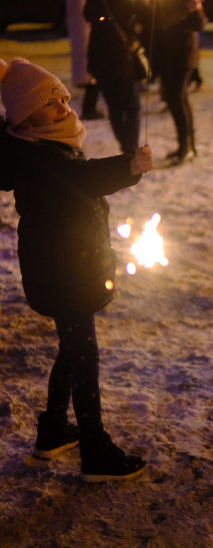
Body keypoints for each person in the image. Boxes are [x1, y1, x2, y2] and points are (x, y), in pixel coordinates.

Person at [0, 57, 153, 482]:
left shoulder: (29, 145)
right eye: (51, 104)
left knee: (72, 350)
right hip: (64, 270)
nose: (64, 107)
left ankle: (52, 431)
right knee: (84, 357)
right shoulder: (41, 158)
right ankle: (96, 451)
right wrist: (130, 167)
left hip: (62, 266)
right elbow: (82, 178)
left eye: (63, 97)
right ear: (28, 120)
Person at [84, 0, 149, 156]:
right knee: (132, 105)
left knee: (114, 105)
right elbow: (146, 15)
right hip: (123, 55)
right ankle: (131, 147)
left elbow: (88, 15)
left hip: (100, 55)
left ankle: (126, 147)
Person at [153, 0, 208, 166]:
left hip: (180, 52)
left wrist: (195, 10)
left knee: (177, 99)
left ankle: (187, 147)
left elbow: (199, 22)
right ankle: (186, 146)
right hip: (168, 51)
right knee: (177, 99)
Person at [65, 0, 104, 120]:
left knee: (91, 72)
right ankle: (89, 109)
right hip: (84, 33)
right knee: (91, 73)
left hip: (81, 31)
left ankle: (91, 107)